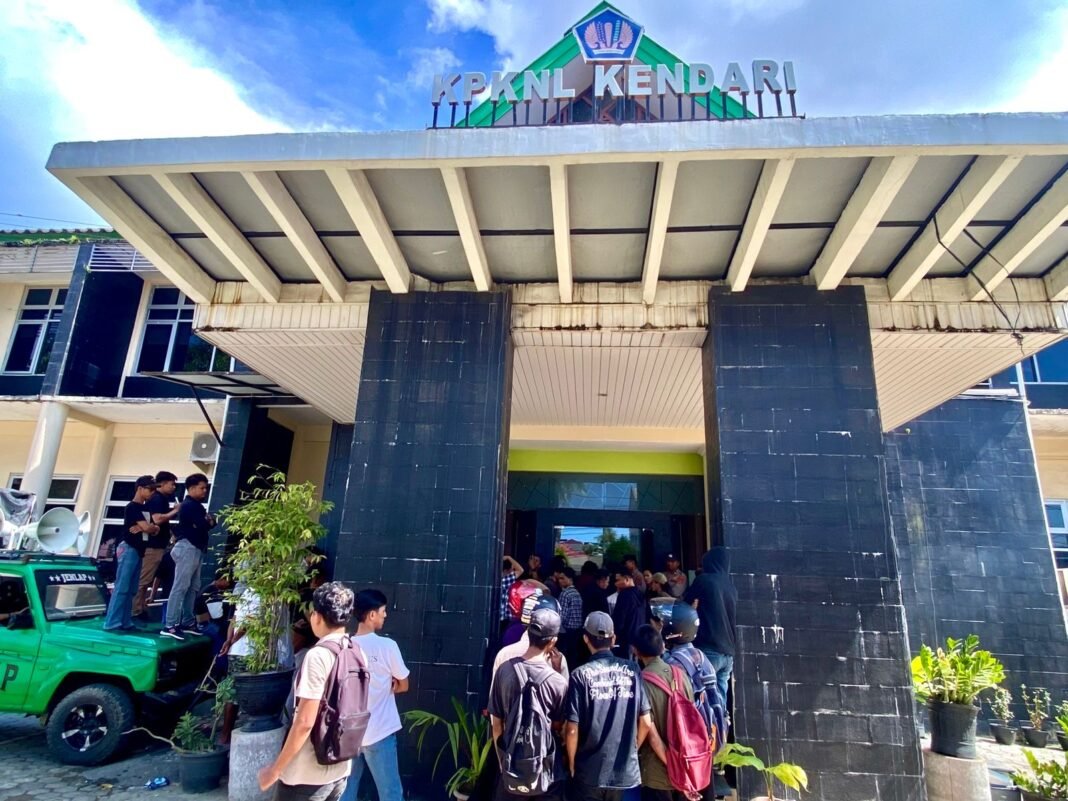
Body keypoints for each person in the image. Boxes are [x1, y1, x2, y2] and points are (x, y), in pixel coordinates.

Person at [258, 581, 356, 801]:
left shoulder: (318, 655)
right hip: (340, 767)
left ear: (317, 616)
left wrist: (275, 770)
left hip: (306, 772)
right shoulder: (355, 651)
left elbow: (304, 722)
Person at [564, 612, 655, 801]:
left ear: (585, 639)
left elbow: (572, 729)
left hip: (589, 771)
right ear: (613, 639)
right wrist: (631, 750)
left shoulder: (580, 675)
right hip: (622, 771)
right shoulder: (633, 670)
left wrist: (571, 762)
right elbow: (646, 722)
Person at [489, 607, 569, 801]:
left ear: (528, 632)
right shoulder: (558, 682)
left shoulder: (504, 671)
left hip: (510, 764)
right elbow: (562, 727)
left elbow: (496, 723)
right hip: (544, 771)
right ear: (552, 641)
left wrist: (502, 762)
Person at [339, 590, 410, 801]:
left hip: (348, 732)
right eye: (382, 611)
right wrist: (389, 684)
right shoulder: (387, 646)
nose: (385, 615)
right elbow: (404, 685)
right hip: (380, 730)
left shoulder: (343, 645)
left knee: (345, 791)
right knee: (390, 793)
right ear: (371, 615)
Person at [634, 625, 688, 801]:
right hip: (685, 769)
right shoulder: (681, 675)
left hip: (656, 774)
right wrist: (680, 767)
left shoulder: (641, 682)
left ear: (636, 651)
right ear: (662, 647)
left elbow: (651, 734)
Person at [161, 473, 214, 640]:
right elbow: (204, 523)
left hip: (197, 549)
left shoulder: (197, 506)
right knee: (181, 586)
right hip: (187, 547)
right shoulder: (189, 505)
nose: (204, 491)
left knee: (193, 587)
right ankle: (170, 624)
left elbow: (207, 523)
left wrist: (209, 521)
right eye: (201, 488)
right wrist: (208, 521)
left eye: (206, 488)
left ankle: (187, 621)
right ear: (191, 488)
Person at [683, 548, 737, 712]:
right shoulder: (731, 587)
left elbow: (686, 604)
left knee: (703, 697)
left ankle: (706, 728)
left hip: (708, 647)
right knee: (720, 698)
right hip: (728, 651)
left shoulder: (704, 580)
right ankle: (720, 726)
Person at [104, 475, 159, 632]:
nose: (152, 493)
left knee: (132, 588)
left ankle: (125, 621)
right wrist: (147, 527)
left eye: (154, 490)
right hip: (129, 548)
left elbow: (155, 528)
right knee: (122, 587)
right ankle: (112, 622)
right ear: (140, 488)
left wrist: (147, 527)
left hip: (139, 550)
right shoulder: (132, 507)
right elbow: (149, 528)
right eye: (150, 489)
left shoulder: (145, 508)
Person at [494, 592, 570, 681]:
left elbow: (495, 689)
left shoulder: (504, 654)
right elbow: (561, 688)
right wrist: (557, 669)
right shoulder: (557, 659)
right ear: (553, 639)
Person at [135, 471, 178, 619]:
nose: (174, 488)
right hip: (152, 546)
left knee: (147, 579)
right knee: (144, 579)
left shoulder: (161, 499)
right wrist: (175, 510)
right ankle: (135, 610)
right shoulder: (157, 499)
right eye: (172, 484)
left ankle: (140, 608)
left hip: (158, 546)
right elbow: (157, 519)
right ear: (163, 483)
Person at [611, 572, 646, 659]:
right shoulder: (640, 594)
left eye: (618, 580)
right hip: (639, 637)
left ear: (626, 579)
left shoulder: (624, 595)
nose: (615, 584)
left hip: (626, 639)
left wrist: (615, 635)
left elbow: (619, 619)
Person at [554, 566, 583, 665]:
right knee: (573, 655)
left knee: (564, 656)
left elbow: (562, 615)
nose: (560, 581)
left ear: (570, 579)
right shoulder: (577, 593)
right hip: (577, 629)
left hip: (566, 630)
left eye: (563, 578)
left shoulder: (565, 593)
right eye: (559, 578)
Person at [499, 556, 522, 637]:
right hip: (505, 616)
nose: (513, 570)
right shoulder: (506, 580)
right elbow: (520, 570)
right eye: (512, 569)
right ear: (506, 570)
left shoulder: (495, 579)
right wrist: (509, 557)